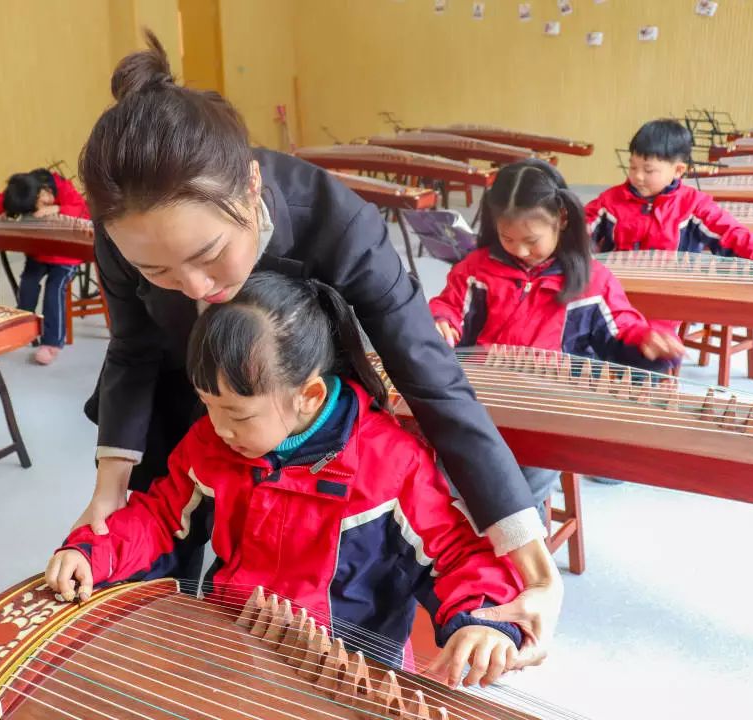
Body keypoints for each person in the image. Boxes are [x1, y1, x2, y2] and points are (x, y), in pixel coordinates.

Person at [74, 30, 561, 666]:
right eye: (159, 273)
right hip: (188, 392)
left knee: (337, 561)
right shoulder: (123, 232)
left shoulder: (338, 220)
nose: (196, 290)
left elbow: (429, 374)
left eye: (208, 255)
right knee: (158, 553)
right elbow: (133, 351)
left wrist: (529, 556)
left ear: (251, 187)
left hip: (292, 390)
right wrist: (110, 485)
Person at [48, 272, 525, 688]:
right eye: (207, 405)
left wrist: (480, 621)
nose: (217, 426)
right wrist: (94, 551)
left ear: (309, 396)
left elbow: (456, 553)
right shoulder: (214, 442)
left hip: (348, 672)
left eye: (236, 412)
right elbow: (159, 516)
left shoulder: (391, 464)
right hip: (235, 645)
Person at [430, 159, 685, 504]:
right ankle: (462, 540)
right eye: (507, 238)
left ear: (562, 219)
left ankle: (523, 546)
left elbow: (623, 326)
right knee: (449, 472)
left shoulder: (593, 281)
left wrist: (646, 339)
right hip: (481, 396)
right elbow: (449, 306)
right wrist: (441, 320)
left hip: (547, 408)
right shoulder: (475, 270)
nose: (519, 250)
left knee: (523, 490)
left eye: (531, 240)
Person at [586, 119, 753, 263]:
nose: (637, 176)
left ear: (678, 170)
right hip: (619, 290)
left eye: (648, 170)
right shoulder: (610, 201)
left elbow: (729, 232)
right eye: (633, 167)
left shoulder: (693, 205)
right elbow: (580, 227)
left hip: (669, 293)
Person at [0, 169, 90, 365]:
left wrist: (56, 209)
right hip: (39, 251)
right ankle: (22, 328)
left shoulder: (61, 186)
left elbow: (83, 210)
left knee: (54, 289)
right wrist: (7, 210)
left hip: (66, 254)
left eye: (44, 202)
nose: (41, 208)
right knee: (28, 282)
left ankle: (51, 343)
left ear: (44, 190)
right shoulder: (23, 189)